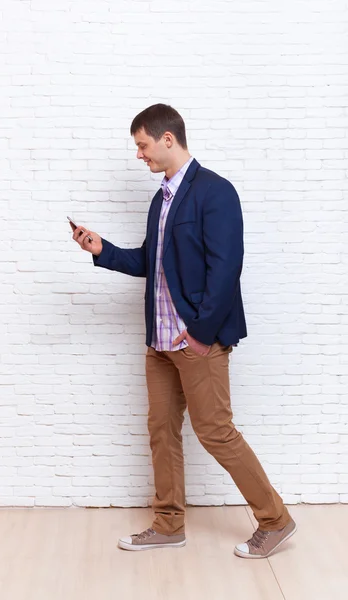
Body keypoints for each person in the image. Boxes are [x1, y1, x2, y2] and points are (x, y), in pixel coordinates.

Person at [71, 104, 297, 559]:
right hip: (160, 343)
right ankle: (168, 524)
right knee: (161, 430)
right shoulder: (163, 198)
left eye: (143, 145)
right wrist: (103, 250)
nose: (140, 155)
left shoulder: (215, 192)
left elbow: (226, 268)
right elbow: (151, 263)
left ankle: (275, 521)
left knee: (216, 432)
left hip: (196, 342)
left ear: (168, 139)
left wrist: (200, 333)